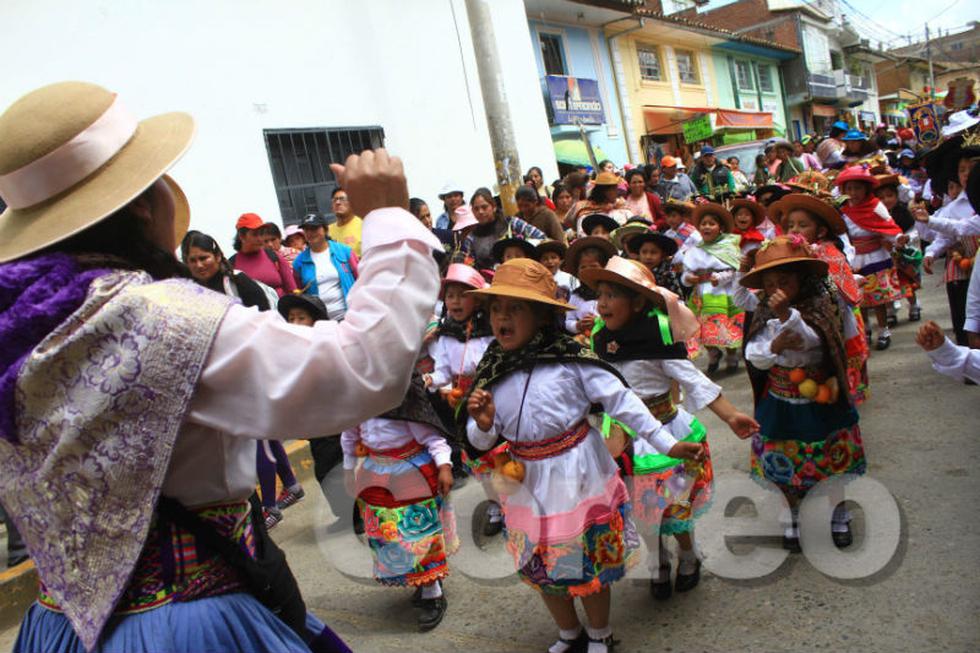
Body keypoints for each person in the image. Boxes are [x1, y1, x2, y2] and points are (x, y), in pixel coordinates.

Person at [0, 80, 441, 653]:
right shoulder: (157, 319)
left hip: (59, 627)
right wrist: (388, 216)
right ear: (144, 204)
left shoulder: (21, 331)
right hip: (184, 627)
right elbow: (364, 369)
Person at [462, 258, 705, 653]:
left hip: (577, 475)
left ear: (542, 316)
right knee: (541, 564)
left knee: (585, 562)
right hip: (526, 481)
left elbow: (624, 402)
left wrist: (666, 444)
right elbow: (480, 439)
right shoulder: (493, 368)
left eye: (514, 308)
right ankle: (569, 633)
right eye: (495, 308)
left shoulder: (571, 360)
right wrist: (484, 424)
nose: (501, 317)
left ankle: (599, 633)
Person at [583, 257, 757, 599]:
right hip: (621, 441)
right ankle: (658, 559)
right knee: (640, 510)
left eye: (611, 295)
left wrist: (731, 415)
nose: (602, 303)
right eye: (599, 294)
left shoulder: (657, 338)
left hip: (664, 437)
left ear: (637, 302)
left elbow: (695, 380)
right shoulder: (600, 339)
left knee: (673, 507)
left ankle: (688, 555)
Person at [741, 235, 867, 550]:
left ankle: (838, 516)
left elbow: (814, 343)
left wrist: (787, 316)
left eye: (785, 281)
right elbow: (754, 353)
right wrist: (773, 346)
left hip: (821, 399)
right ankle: (792, 519)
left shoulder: (820, 306)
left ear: (801, 278)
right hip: (780, 402)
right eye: (770, 284)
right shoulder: (762, 311)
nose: (777, 289)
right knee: (781, 461)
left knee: (832, 460)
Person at [341, 373, 457, 631]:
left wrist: (444, 466)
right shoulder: (357, 401)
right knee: (390, 534)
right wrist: (348, 471)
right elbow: (349, 437)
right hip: (375, 473)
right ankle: (420, 580)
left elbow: (432, 437)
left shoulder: (404, 397)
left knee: (416, 533)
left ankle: (433, 592)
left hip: (411, 474)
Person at [770, 193, 870, 404]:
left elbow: (838, 288)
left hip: (835, 317)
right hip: (806, 316)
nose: (794, 230)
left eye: (802, 225)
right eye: (790, 225)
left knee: (837, 358)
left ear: (821, 231)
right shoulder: (790, 253)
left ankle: (844, 396)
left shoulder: (828, 252)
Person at [836, 166, 904, 350]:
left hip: (876, 257)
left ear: (866, 188)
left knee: (878, 298)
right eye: (849, 188)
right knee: (860, 299)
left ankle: (883, 331)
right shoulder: (842, 212)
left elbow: (888, 226)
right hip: (855, 259)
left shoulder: (876, 206)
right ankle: (865, 330)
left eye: (857, 188)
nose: (853, 193)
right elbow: (842, 235)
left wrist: (898, 238)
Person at [681, 203, 744, 373]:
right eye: (703, 224)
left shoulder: (728, 247)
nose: (707, 227)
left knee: (727, 326)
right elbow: (685, 273)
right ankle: (713, 353)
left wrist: (721, 278)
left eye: (711, 223)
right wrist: (688, 278)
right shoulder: (694, 250)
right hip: (701, 295)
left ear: (720, 227)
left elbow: (734, 270)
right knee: (700, 328)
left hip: (723, 293)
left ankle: (732, 355)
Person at [293, 212, 359, 321]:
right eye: (306, 229)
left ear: (325, 229)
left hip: (349, 316)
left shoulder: (344, 252)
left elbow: (360, 279)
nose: (310, 233)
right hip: (320, 321)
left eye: (314, 228)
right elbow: (299, 291)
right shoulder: (299, 262)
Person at [182, 231, 271, 310]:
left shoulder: (237, 281)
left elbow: (264, 315)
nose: (199, 265)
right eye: (192, 260)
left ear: (218, 257)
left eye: (203, 258)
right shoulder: (187, 291)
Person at [875, 174, 922, 322]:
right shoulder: (874, 216)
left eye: (890, 195)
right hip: (885, 254)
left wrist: (905, 240)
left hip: (903, 254)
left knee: (907, 282)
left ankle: (914, 305)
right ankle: (890, 310)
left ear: (896, 196)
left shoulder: (903, 213)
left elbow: (914, 232)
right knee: (886, 284)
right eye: (881, 197)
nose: (886, 200)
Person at [462, 187, 545, 270]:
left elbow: (541, 237)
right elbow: (470, 265)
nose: (480, 212)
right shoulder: (471, 238)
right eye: (476, 209)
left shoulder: (511, 223)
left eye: (484, 207)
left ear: (494, 207)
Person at [230, 212, 298, 298]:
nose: (260, 239)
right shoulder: (232, 265)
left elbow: (292, 290)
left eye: (261, 234)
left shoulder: (274, 257)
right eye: (255, 234)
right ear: (242, 236)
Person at [563, 237, 618, 338]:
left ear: (605, 267)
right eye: (583, 267)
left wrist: (598, 322)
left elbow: (618, 318)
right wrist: (578, 325)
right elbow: (569, 321)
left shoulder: (614, 293)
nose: (588, 271)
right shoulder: (576, 295)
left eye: (593, 266)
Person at [328, 187, 363, 257]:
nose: (337, 202)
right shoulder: (327, 231)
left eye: (342, 199)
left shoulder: (363, 226)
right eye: (335, 200)